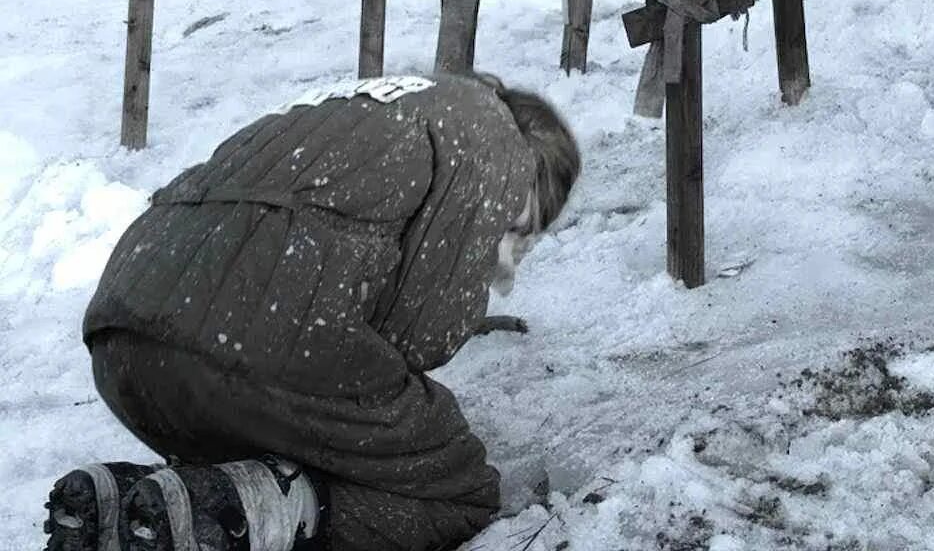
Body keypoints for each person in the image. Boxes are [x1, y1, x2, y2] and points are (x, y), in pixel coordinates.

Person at [44, 72, 580, 551]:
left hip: (122, 335)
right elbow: (423, 335)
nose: (512, 250)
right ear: (532, 166)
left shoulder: (374, 102)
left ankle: (133, 507)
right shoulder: (494, 142)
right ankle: (285, 509)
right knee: (460, 490)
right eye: (519, 232)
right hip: (253, 344)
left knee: (288, 437)